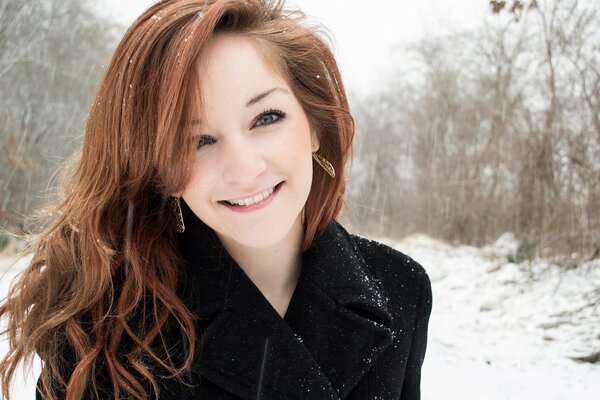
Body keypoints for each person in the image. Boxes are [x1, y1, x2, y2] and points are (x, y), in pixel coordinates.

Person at [0, 0, 432, 399]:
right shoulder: (103, 330)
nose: (244, 169)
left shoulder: (399, 287)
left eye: (266, 118)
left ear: (315, 126)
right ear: (162, 173)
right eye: (198, 141)